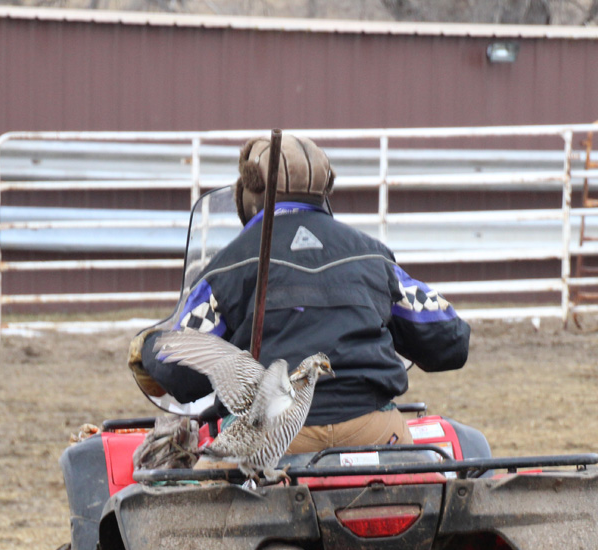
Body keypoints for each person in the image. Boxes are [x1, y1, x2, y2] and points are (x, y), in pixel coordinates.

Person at [129, 133, 470, 454]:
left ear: (249, 191)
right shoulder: (372, 256)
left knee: (196, 503)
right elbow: (449, 340)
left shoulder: (228, 266)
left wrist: (146, 347)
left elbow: (180, 375)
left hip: (275, 439)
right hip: (375, 431)